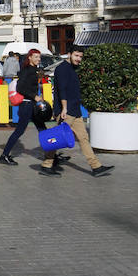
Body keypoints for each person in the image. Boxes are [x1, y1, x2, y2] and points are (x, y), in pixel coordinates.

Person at [51, 45, 114, 177]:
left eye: (80, 57)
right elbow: (61, 90)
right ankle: (46, 164)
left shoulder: (73, 69)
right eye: (76, 56)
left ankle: (96, 167)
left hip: (74, 110)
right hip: (66, 111)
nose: (79, 59)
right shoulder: (62, 69)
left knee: (84, 138)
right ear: (69, 54)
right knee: (58, 139)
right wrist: (63, 108)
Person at [0, 49, 58, 169]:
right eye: (36, 57)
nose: (38, 59)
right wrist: (35, 96)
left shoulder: (33, 70)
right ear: (29, 58)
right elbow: (20, 88)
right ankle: (4, 155)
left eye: (39, 57)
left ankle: (52, 157)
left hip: (32, 105)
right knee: (20, 131)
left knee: (43, 130)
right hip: (27, 105)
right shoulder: (27, 71)